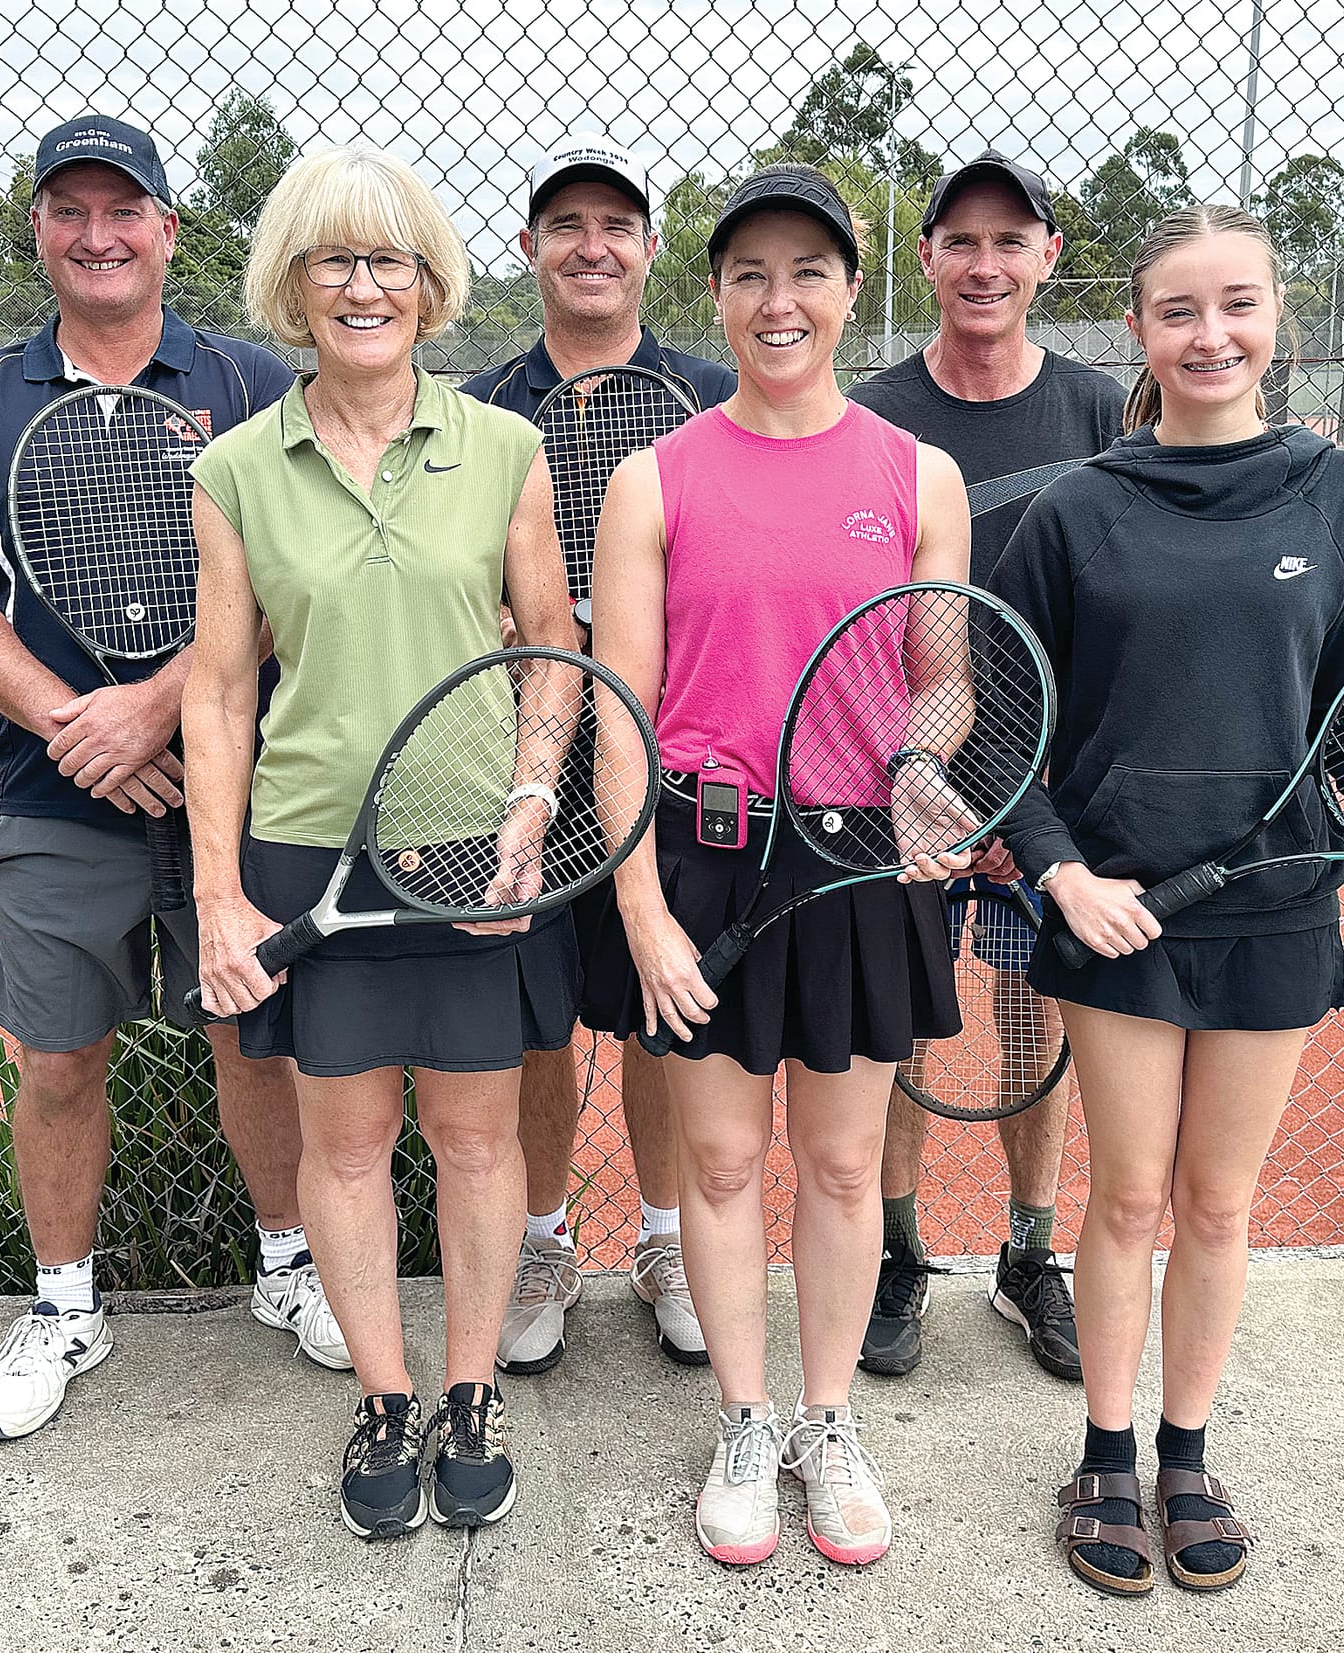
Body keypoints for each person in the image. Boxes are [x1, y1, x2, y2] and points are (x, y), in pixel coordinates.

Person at [991, 204, 1344, 1596]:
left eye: (1237, 305)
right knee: (1128, 1196)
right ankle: (1103, 1452)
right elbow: (1004, 736)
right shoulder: (1077, 506)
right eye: (1179, 310)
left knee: (1219, 1207)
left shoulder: (1339, 492)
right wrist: (1064, 874)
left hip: (1277, 902)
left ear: (1276, 317)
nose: (1210, 334)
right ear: (1139, 334)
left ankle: (1184, 1451)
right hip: (1119, 915)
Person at [0, 115, 337, 1444]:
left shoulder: (253, 382)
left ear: (167, 230)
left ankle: (289, 1268)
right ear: (40, 229)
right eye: (71, 210)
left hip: (237, 788)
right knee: (59, 1055)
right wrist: (72, 721)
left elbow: (293, 576)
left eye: (123, 208)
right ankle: (65, 1304)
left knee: (251, 1039)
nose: (99, 234)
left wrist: (158, 709)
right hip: (50, 793)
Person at [184, 145, 576, 1539]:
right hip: (308, 856)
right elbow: (221, 693)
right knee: (340, 1146)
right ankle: (387, 1393)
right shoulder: (237, 467)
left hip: (475, 847)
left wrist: (531, 809)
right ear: (293, 285)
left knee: (477, 1139)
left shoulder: (506, 450)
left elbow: (550, 647)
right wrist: (220, 895)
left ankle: (472, 1388)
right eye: (333, 260)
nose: (364, 285)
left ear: (429, 282)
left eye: (390, 259)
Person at [587, 165, 973, 1567]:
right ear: (717, 297)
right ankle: (745, 1421)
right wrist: (639, 905)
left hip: (862, 857)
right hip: (702, 854)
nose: (779, 298)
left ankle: (826, 1420)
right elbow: (620, 703)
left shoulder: (917, 474)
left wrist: (923, 766)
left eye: (808, 270)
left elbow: (942, 680)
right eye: (750, 273)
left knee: (843, 1154)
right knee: (724, 1155)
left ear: (850, 289)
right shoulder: (657, 477)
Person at [847, 150, 1122, 1383]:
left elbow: (1122, 605)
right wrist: (919, 770)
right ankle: (899, 1255)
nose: (982, 264)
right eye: (959, 240)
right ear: (925, 260)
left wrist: (1043, 807)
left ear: (1046, 258)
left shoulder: (1103, 410)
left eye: (1009, 242)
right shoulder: (873, 413)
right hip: (905, 777)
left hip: (1049, 792)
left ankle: (1025, 1253)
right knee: (899, 1025)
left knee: (1031, 1021)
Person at [461, 134, 734, 1374]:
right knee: (533, 1020)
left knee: (656, 1011)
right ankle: (540, 1237)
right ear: (526, 250)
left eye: (615, 225)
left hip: (664, 749)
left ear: (649, 248)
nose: (591, 245)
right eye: (565, 225)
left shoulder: (710, 404)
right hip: (517, 752)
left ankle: (667, 1237)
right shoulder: (475, 414)